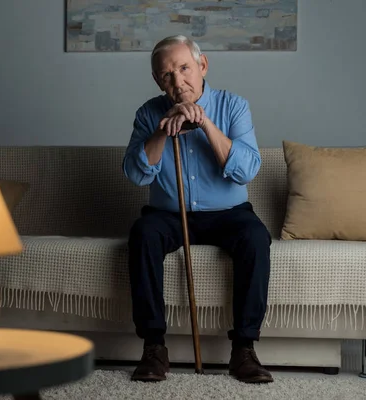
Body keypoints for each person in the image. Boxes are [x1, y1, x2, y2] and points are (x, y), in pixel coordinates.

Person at [122, 35, 273, 384]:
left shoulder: (234, 106)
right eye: (166, 76)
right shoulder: (148, 112)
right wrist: (162, 131)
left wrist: (205, 123)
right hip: (169, 217)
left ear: (202, 66)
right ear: (158, 81)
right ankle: (154, 347)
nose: (177, 82)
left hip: (229, 213)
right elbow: (134, 174)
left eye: (184, 69)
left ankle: (244, 349)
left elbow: (247, 169)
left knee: (255, 237)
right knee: (143, 234)